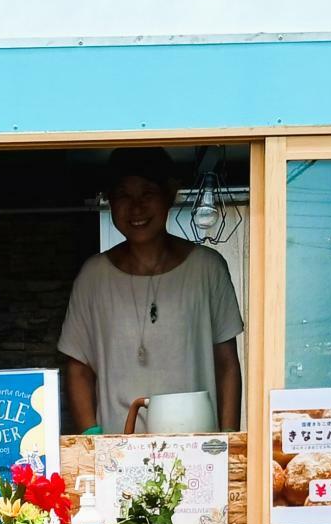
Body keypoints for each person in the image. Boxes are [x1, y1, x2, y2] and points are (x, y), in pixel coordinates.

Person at [58, 147, 244, 435]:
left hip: (193, 449)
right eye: (123, 195)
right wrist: (93, 442)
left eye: (148, 193)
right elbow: (77, 367)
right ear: (110, 199)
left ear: (169, 194)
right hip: (118, 450)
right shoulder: (93, 276)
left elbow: (227, 365)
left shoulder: (207, 269)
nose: (136, 208)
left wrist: (229, 442)